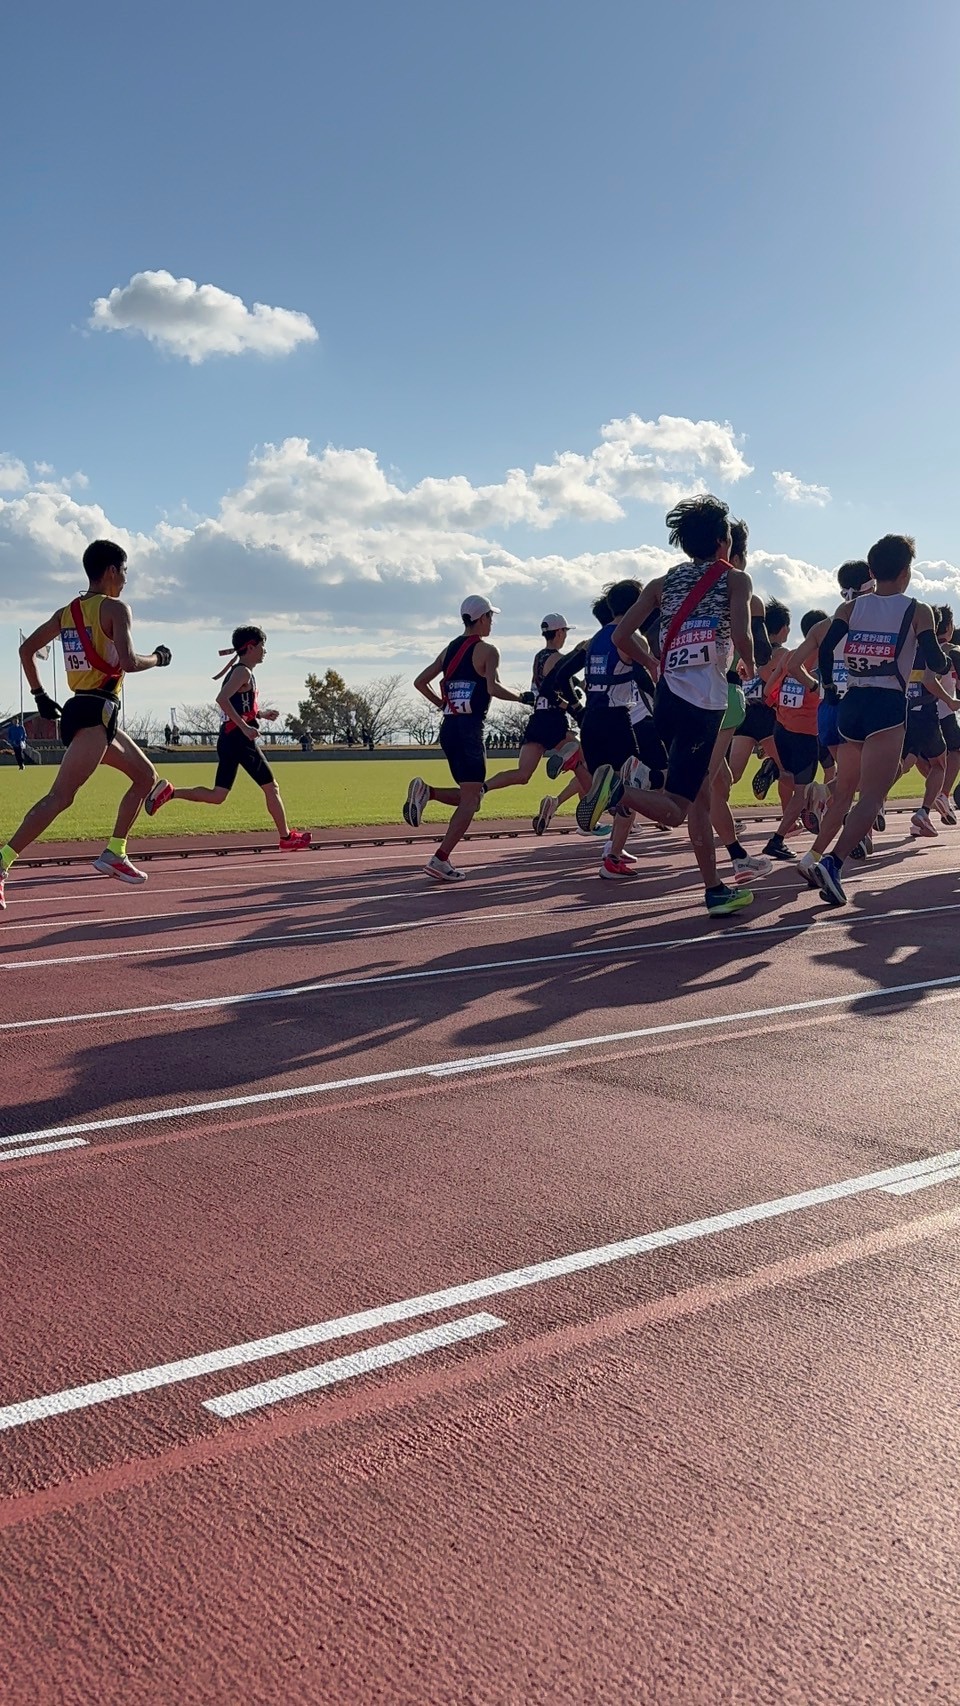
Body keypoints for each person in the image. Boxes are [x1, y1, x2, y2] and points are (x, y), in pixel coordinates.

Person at [602, 495, 756, 917]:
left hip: (667, 697)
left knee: (701, 799)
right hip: (703, 704)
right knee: (676, 808)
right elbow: (742, 634)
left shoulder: (662, 583)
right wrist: (751, 664)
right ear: (724, 541)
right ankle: (618, 790)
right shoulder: (736, 579)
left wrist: (653, 662)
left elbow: (621, 636)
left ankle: (715, 889)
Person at [0, 538, 171, 909]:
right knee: (60, 797)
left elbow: (26, 650)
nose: (126, 579)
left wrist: (40, 695)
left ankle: (115, 852)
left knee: (145, 777)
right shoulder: (115, 609)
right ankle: (2, 864)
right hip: (96, 714)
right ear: (111, 571)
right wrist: (158, 657)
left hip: (85, 709)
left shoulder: (67, 612)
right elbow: (127, 661)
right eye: (125, 571)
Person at [812, 534, 949, 906]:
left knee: (845, 790)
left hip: (851, 703)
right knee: (872, 797)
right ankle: (833, 863)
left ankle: (813, 854)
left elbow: (827, 648)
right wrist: (948, 664)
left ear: (872, 571)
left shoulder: (852, 608)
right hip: (887, 706)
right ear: (906, 572)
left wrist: (829, 689)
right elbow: (935, 659)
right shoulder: (918, 610)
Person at [144, 626, 311, 851]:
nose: (265, 651)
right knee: (272, 788)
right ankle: (286, 837)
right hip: (239, 739)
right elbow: (221, 699)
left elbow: (235, 704)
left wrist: (260, 715)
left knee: (218, 795)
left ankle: (171, 792)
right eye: (262, 646)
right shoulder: (242, 672)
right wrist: (245, 727)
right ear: (250, 647)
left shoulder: (239, 672)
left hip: (229, 738)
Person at [403, 595, 525, 882]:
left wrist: (440, 704)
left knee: (472, 795)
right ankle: (440, 858)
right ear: (481, 618)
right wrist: (522, 698)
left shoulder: (450, 649)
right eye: (490, 618)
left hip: (449, 728)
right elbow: (493, 688)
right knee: (471, 800)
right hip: (470, 731)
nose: (492, 623)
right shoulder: (488, 650)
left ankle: (428, 793)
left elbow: (420, 681)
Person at [571, 579, 665, 879]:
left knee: (627, 789)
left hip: (591, 721)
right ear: (638, 605)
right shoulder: (631, 636)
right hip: (617, 721)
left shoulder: (595, 639)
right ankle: (611, 848)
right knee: (642, 784)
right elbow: (644, 681)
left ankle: (613, 851)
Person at [483, 614, 591, 834]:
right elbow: (553, 689)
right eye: (565, 632)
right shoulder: (558, 659)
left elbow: (543, 688)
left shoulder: (538, 657)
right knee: (584, 762)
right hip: (553, 720)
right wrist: (571, 706)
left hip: (536, 721)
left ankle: (483, 788)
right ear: (559, 632)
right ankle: (589, 814)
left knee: (522, 774)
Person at [758, 609, 829, 861]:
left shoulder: (789, 656)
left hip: (781, 729)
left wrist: (780, 706)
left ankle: (775, 770)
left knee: (795, 781)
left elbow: (767, 689)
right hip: (807, 733)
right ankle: (777, 840)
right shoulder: (825, 659)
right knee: (804, 791)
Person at [899, 603, 960, 839]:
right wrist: (950, 700)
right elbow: (928, 679)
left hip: (905, 713)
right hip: (933, 713)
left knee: (907, 761)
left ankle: (875, 805)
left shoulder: (908, 647)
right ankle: (937, 799)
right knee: (944, 760)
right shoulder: (945, 652)